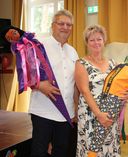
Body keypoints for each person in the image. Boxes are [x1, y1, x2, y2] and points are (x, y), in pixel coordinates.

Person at [74, 24, 128, 157]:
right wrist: (99, 114)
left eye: (99, 39)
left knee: (108, 149)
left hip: (109, 116)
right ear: (87, 43)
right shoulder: (81, 63)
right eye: (92, 40)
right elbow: (84, 91)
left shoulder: (114, 64)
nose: (96, 43)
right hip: (90, 115)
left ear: (104, 41)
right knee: (91, 150)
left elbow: (127, 86)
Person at [28, 9, 78, 157]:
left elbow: (74, 84)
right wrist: (39, 85)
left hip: (66, 113)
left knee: (61, 152)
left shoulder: (73, 52)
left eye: (69, 25)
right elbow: (27, 73)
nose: (65, 27)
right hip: (43, 111)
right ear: (52, 26)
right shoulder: (39, 46)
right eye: (61, 23)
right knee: (39, 152)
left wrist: (75, 110)